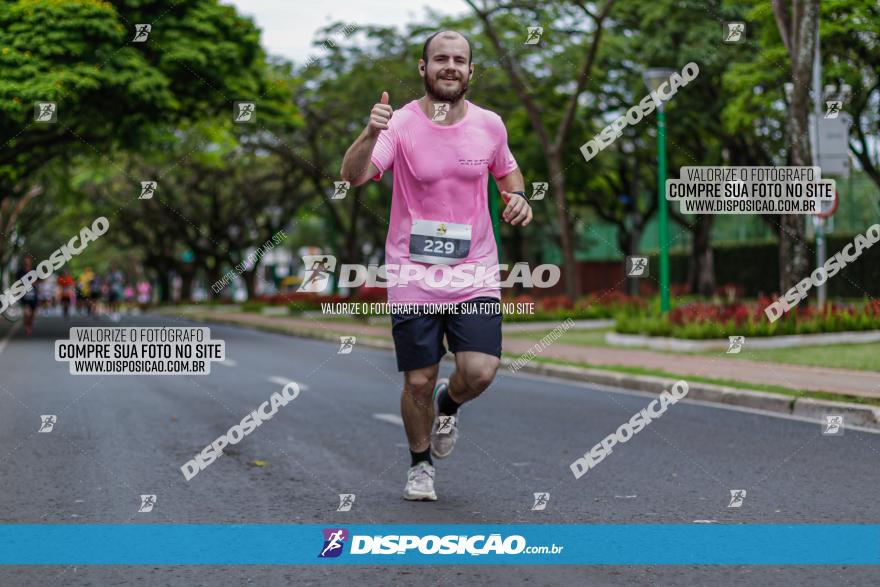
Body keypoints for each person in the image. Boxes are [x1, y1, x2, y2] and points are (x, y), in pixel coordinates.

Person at [340, 30, 532, 501]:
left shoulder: (490, 125)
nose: (451, 66)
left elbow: (508, 172)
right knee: (418, 380)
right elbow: (355, 175)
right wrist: (370, 132)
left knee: (481, 372)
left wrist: (519, 198)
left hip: (475, 270)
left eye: (459, 60)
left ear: (470, 71)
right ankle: (420, 464)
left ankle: (452, 402)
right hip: (413, 270)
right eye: (440, 59)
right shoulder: (400, 125)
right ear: (423, 69)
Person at [15, 256, 39, 336]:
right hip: (24, 296)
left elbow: (39, 281)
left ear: (30, 262)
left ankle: (30, 326)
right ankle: (26, 327)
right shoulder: (20, 271)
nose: (26, 262)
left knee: (32, 315)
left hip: (33, 296)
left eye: (28, 261)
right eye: (25, 261)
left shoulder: (34, 271)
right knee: (26, 313)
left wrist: (33, 283)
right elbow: (17, 283)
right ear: (23, 262)